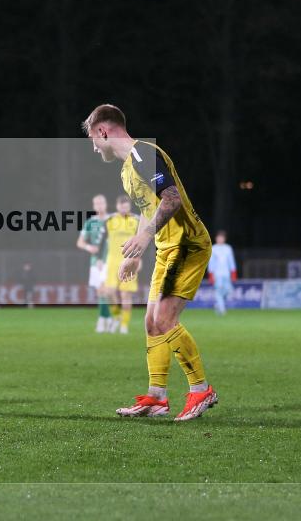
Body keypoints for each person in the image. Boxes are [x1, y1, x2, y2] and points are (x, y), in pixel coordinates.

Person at [83, 104, 217, 422]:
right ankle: (157, 398)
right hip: (166, 248)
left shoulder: (143, 153)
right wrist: (136, 253)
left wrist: (143, 239)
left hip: (186, 243)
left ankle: (201, 390)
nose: (93, 147)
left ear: (103, 131)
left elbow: (172, 198)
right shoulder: (127, 170)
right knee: (152, 323)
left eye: (92, 140)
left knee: (165, 320)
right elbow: (149, 208)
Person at [76, 194, 114, 332]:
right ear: (93, 206)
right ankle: (106, 318)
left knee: (106, 290)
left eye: (101, 203)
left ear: (106, 204)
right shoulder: (90, 222)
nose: (99, 205)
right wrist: (88, 247)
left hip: (109, 260)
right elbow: (80, 242)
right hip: (95, 261)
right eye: (96, 203)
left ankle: (105, 319)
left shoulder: (113, 220)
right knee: (99, 291)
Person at [103, 196, 141, 334]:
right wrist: (100, 258)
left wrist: (138, 259)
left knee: (126, 295)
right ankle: (116, 316)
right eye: (121, 206)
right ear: (117, 206)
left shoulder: (136, 220)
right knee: (109, 292)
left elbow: (142, 241)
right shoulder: (110, 220)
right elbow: (103, 240)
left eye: (126, 206)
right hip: (112, 260)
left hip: (128, 261)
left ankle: (124, 325)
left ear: (129, 206)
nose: (124, 208)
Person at [208, 230, 237, 315]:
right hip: (217, 274)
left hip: (226, 274)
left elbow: (231, 261)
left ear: (224, 239)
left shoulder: (228, 248)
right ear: (216, 238)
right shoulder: (213, 248)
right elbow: (211, 262)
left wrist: (233, 273)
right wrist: (211, 274)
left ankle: (218, 305)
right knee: (218, 291)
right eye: (219, 238)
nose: (220, 239)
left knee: (228, 290)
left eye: (222, 238)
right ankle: (222, 309)